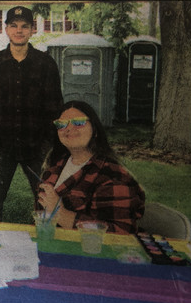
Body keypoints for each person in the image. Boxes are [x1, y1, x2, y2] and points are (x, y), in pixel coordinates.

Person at [0, 6, 63, 222]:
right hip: (0, 145)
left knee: (46, 200)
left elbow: (55, 107)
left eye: (25, 26)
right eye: (13, 26)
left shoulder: (46, 64)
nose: (19, 30)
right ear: (6, 29)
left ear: (32, 30)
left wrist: (46, 142)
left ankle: (47, 245)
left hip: (36, 147)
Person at [37, 100, 145, 234]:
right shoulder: (53, 168)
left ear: (95, 130)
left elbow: (121, 234)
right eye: (61, 124)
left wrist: (61, 214)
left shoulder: (113, 176)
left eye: (78, 122)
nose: (69, 128)